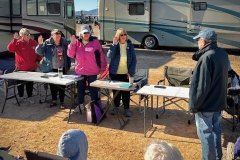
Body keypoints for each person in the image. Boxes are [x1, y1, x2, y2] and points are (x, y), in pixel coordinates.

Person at [189, 28, 229, 160]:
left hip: (206, 105)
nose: (197, 43)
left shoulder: (207, 57)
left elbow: (201, 87)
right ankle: (217, 157)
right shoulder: (222, 53)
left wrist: (194, 106)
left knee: (206, 134)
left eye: (199, 40)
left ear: (204, 41)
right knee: (216, 131)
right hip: (218, 102)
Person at [68, 24, 107, 112]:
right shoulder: (76, 43)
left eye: (88, 33)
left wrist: (102, 69)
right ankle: (80, 105)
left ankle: (96, 108)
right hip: (80, 71)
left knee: (93, 90)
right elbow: (70, 54)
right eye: (84, 33)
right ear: (81, 34)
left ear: (90, 33)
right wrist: (72, 44)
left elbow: (101, 56)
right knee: (80, 89)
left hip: (92, 71)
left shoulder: (95, 42)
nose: (86, 34)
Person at [36, 29, 71, 108]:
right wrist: (40, 44)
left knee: (62, 86)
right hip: (51, 68)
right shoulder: (47, 43)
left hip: (62, 67)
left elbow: (70, 53)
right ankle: (54, 100)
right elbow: (39, 52)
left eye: (59, 33)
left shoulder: (65, 42)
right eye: (56, 34)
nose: (58, 35)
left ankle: (62, 102)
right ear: (52, 35)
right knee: (53, 86)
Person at [7, 28, 42, 104]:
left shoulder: (33, 42)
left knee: (29, 84)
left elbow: (38, 53)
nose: (28, 35)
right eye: (26, 34)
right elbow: (10, 49)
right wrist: (14, 39)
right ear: (21, 35)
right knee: (20, 84)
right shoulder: (17, 43)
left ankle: (30, 97)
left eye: (29, 33)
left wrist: (38, 60)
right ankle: (21, 97)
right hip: (21, 69)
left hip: (31, 68)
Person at [107, 28, 137, 117]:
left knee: (126, 92)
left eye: (125, 34)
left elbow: (134, 60)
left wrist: (130, 72)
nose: (123, 36)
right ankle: (116, 107)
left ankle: (126, 109)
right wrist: (113, 44)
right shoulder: (115, 45)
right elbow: (109, 56)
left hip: (125, 74)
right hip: (114, 73)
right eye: (121, 35)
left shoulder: (130, 45)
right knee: (116, 92)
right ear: (118, 36)